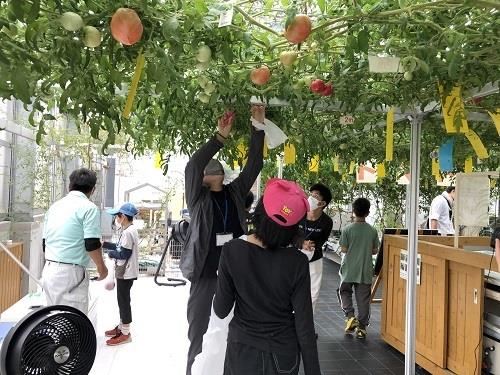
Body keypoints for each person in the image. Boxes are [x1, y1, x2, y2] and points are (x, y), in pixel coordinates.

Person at [180, 106, 265, 375]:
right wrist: (220, 137)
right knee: (199, 326)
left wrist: (257, 128)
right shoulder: (197, 199)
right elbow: (193, 164)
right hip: (206, 272)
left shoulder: (235, 193)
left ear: (217, 175)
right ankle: (193, 368)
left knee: (234, 325)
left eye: (208, 170)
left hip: (234, 270)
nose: (203, 171)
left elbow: (255, 165)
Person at [213, 178, 321, 375]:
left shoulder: (232, 250)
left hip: (242, 354)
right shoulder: (297, 262)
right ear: (292, 228)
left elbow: (221, 309)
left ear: (259, 212)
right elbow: (304, 326)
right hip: (283, 358)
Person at [42, 168, 108, 314]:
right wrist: (102, 268)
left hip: (49, 270)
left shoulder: (54, 207)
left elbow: (44, 243)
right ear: (93, 189)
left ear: (69, 186)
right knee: (73, 324)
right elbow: (91, 244)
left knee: (54, 320)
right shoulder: (89, 208)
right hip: (70, 274)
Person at [338, 197, 380, 339]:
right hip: (365, 269)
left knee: (344, 291)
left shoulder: (347, 229)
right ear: (367, 213)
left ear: (353, 212)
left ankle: (350, 316)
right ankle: (362, 328)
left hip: (349, 268)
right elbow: (375, 251)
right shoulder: (373, 231)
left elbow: (343, 249)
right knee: (363, 299)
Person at [104, 203, 139, 346]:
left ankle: (125, 333)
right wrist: (105, 244)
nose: (116, 219)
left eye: (117, 216)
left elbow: (123, 253)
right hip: (126, 272)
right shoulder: (129, 229)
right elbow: (120, 247)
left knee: (123, 302)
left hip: (125, 272)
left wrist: (110, 254)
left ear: (123, 217)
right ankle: (121, 326)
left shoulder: (127, 232)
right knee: (122, 300)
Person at [297, 183, 333, 314]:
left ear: (322, 203)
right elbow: (290, 234)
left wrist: (311, 246)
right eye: (311, 194)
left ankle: (306, 325)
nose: (311, 198)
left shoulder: (326, 221)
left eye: (316, 196)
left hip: (314, 258)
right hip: (294, 257)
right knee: (292, 289)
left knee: (313, 292)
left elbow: (322, 240)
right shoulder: (299, 214)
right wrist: (301, 243)